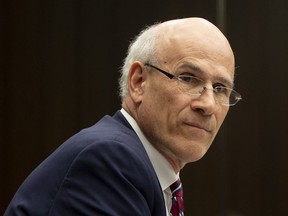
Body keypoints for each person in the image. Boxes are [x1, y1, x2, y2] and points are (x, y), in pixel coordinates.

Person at [4, 17, 241, 216]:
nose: (207, 104)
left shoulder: (149, 172)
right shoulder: (110, 160)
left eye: (220, 88)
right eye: (188, 78)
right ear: (138, 82)